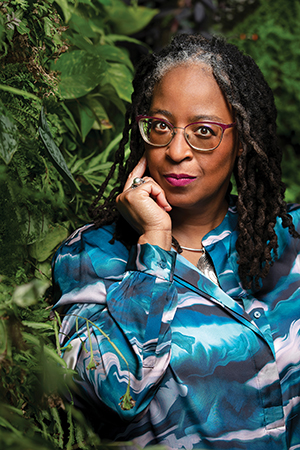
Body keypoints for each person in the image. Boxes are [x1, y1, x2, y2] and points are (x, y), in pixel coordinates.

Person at [52, 34, 300, 450]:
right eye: (161, 127)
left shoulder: (288, 237)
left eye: (204, 131)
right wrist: (154, 246)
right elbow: (118, 394)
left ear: (242, 137)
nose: (176, 150)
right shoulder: (91, 256)